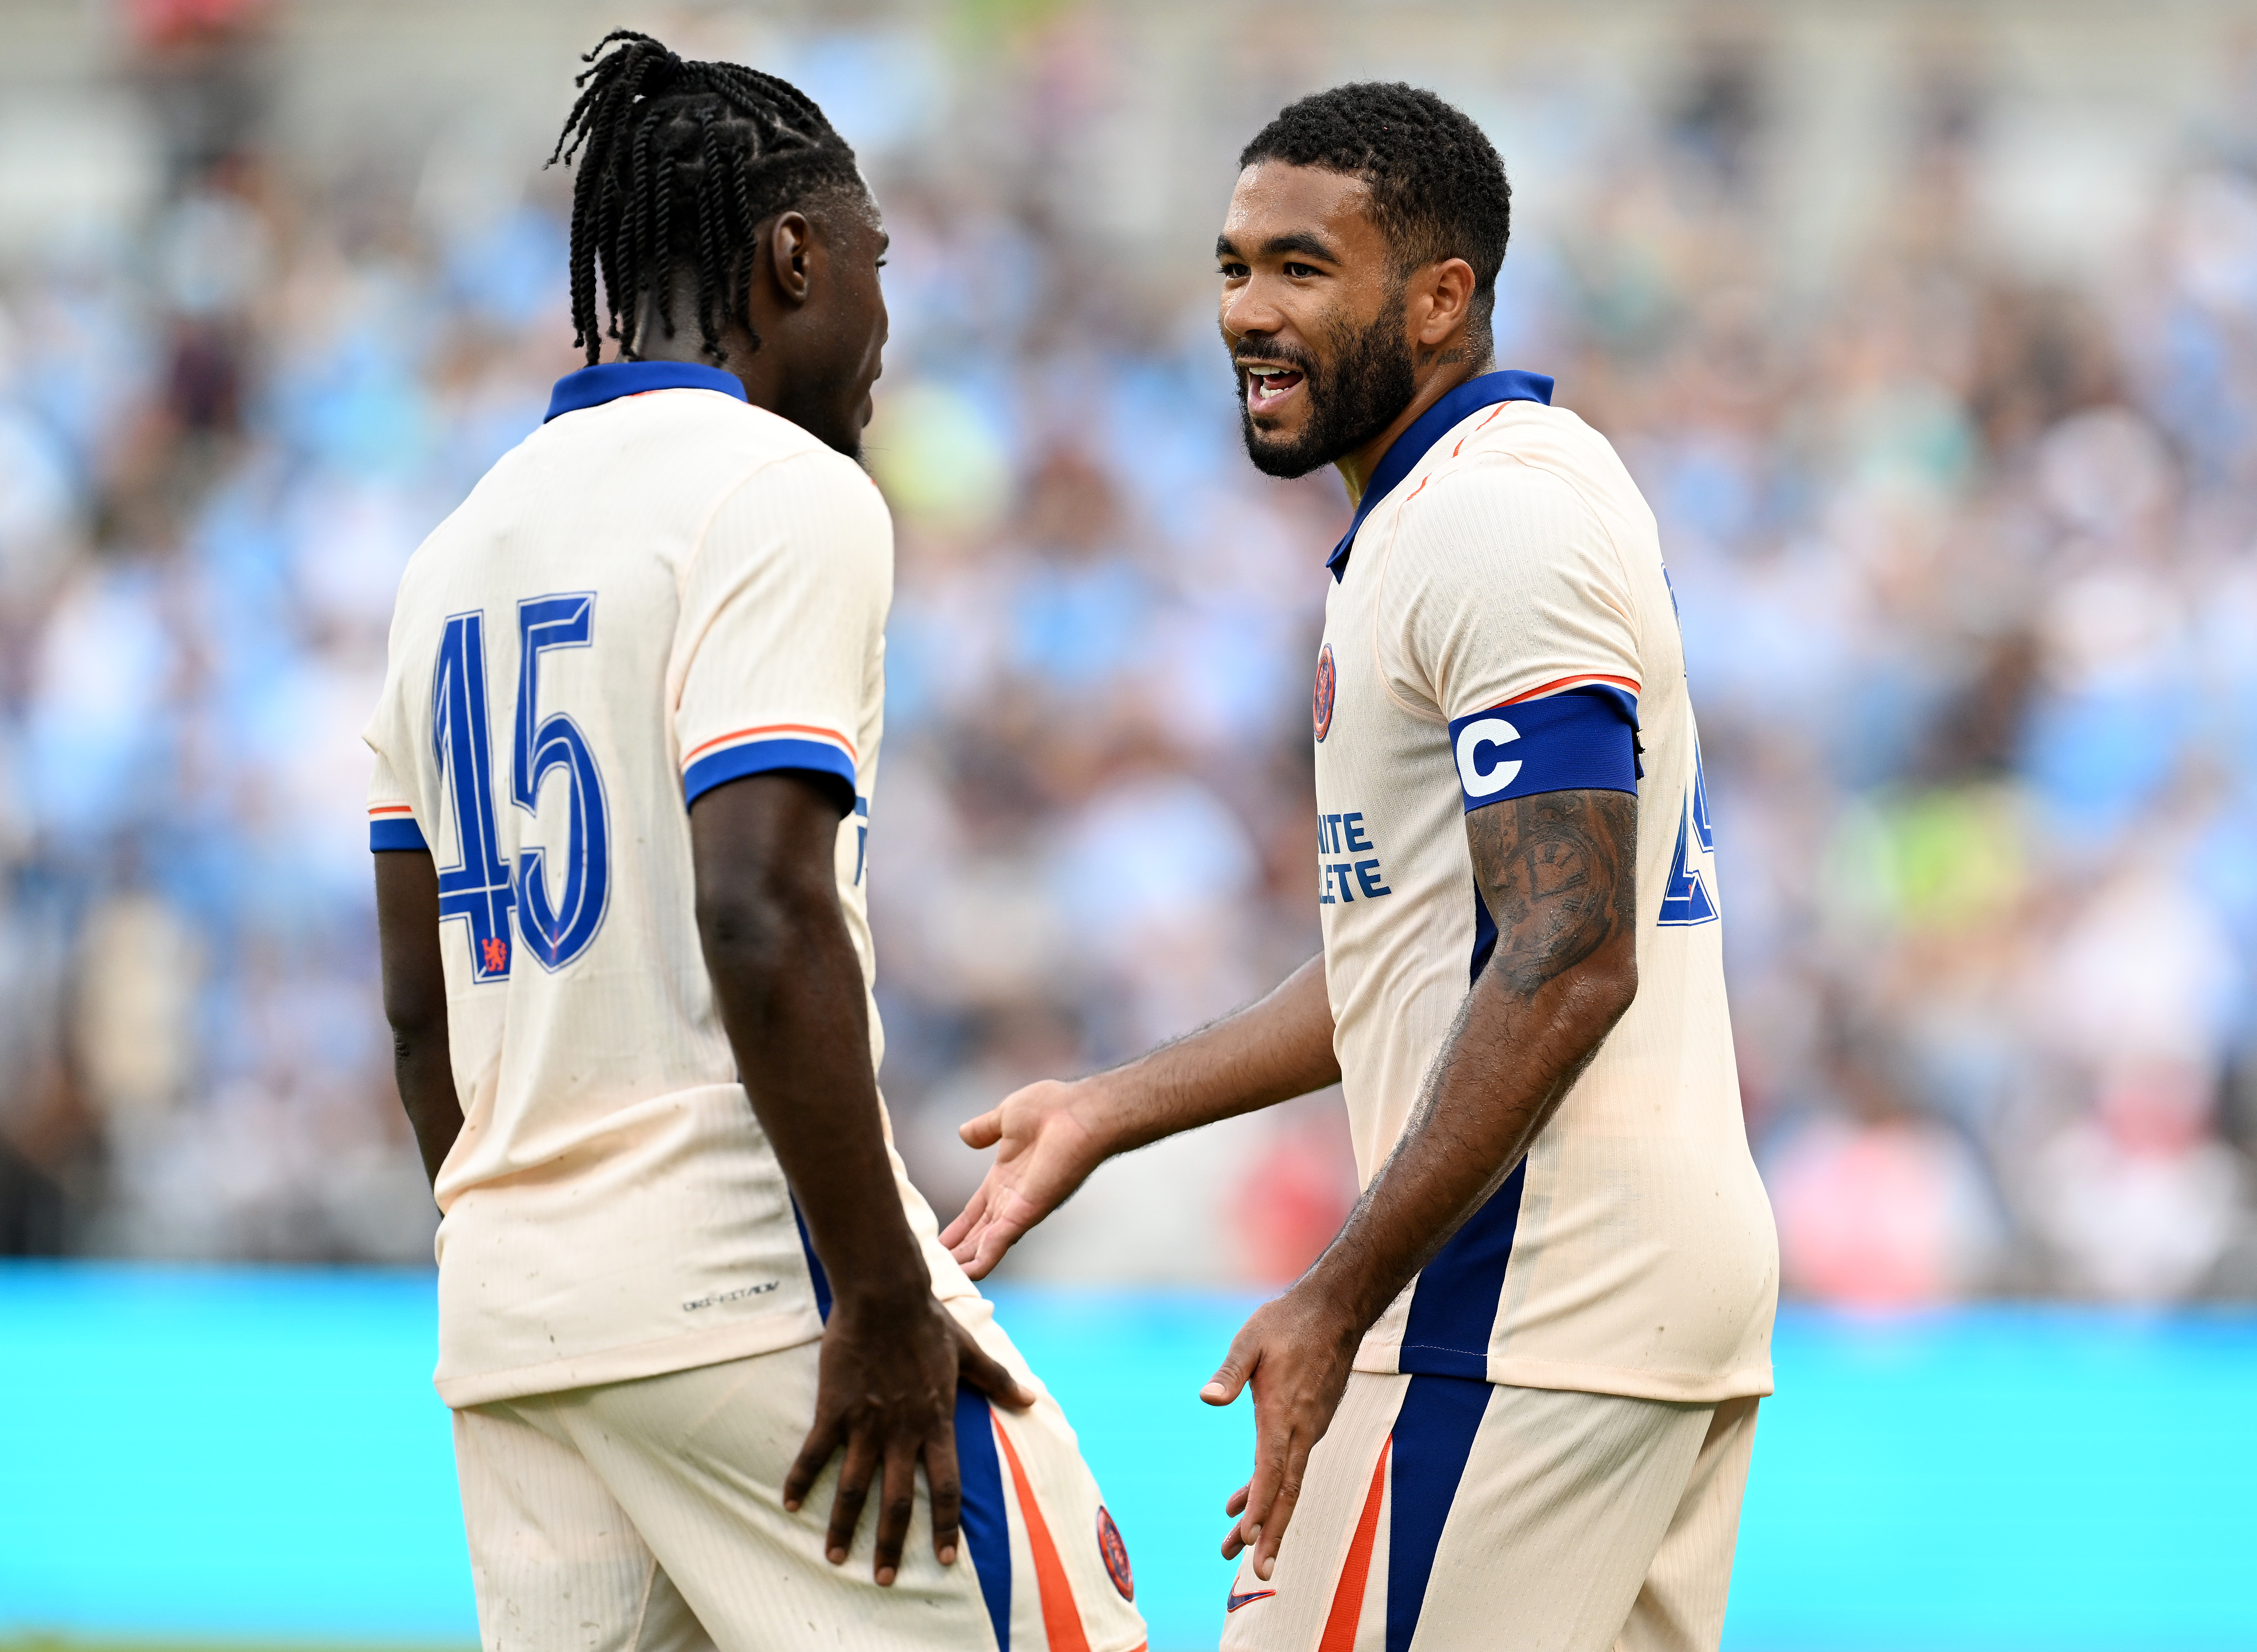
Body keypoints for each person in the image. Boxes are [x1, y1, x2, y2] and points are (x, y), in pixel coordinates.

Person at [941, 83, 1778, 1652]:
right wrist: (1114, 1109)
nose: (1248, 313)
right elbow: (1432, 951)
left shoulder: (1493, 522)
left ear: (1444, 296)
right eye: (1233, 266)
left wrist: (1336, 1293)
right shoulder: (1451, 512)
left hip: (1523, 1304)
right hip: (1610, 1299)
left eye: (1303, 270)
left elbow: (1571, 948)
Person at [366, 34, 1145, 1652]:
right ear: (794, 255)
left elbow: (417, 1014)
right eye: (876, 264)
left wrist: (536, 1248)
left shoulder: (450, 553)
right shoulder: (779, 488)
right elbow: (763, 915)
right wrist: (877, 1297)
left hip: (514, 1317)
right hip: (750, 1278)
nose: (883, 323)